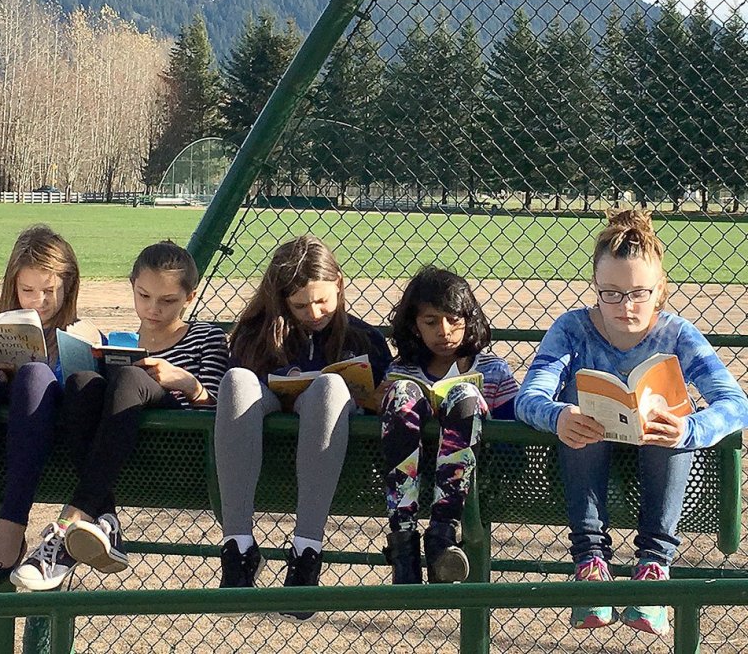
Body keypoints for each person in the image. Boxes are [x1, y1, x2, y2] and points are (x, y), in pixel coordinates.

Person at [515, 209, 748, 636]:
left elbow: (736, 403)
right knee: (575, 404)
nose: (625, 306)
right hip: (587, 455)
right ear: (595, 287)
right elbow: (529, 397)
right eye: (611, 293)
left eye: (639, 293)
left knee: (674, 419)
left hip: (659, 461)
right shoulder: (573, 328)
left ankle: (654, 569)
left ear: (660, 290)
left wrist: (688, 429)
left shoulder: (677, 334)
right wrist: (559, 415)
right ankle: (590, 564)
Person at [10, 241, 228, 591]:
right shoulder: (120, 340)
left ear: (189, 297)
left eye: (167, 300)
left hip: (180, 448)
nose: (153, 308)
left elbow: (220, 411)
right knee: (82, 381)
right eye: (144, 296)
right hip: (123, 451)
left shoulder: (207, 337)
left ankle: (70, 523)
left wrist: (187, 383)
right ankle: (105, 520)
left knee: (129, 377)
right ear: (132, 287)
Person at [213, 235, 392, 620]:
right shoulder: (256, 333)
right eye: (299, 305)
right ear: (280, 300)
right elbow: (241, 385)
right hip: (267, 412)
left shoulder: (365, 338)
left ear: (339, 285)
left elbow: (382, 395)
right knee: (237, 380)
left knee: (329, 386)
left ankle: (307, 551)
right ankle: (237, 547)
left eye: (322, 300)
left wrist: (369, 395)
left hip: (329, 435)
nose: (313, 312)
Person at [0, 224, 101, 585]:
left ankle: (12, 526)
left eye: (49, 291)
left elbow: (83, 393)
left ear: (68, 286)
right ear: (13, 287)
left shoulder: (81, 330)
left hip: (50, 437)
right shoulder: (5, 326)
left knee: (34, 375)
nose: (38, 301)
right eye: (27, 290)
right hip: (0, 436)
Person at [378, 266, 518, 585]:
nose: (444, 331)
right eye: (431, 322)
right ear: (414, 325)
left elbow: (513, 440)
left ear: (469, 319)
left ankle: (442, 538)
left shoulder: (494, 370)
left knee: (464, 394)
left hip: (477, 477)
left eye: (454, 320)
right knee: (402, 393)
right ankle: (403, 543)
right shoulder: (402, 370)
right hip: (414, 475)